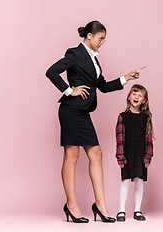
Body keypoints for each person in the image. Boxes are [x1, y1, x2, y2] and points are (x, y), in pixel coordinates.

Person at [46, 21, 146, 223]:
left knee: (96, 153)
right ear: (89, 36)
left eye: (104, 39)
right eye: (100, 38)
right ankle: (71, 206)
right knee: (72, 155)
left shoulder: (94, 61)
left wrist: (125, 78)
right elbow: (52, 72)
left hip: (83, 113)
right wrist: (69, 90)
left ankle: (100, 206)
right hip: (71, 110)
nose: (102, 42)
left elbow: (103, 86)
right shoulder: (74, 53)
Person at [115, 84, 153, 222]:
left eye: (140, 95)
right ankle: (121, 211)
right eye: (134, 94)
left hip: (141, 155)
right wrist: (120, 157)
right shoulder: (122, 117)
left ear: (144, 100)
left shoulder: (146, 117)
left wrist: (148, 156)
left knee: (139, 181)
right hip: (126, 154)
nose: (136, 97)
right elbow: (119, 138)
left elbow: (148, 138)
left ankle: (137, 210)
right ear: (129, 97)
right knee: (125, 181)